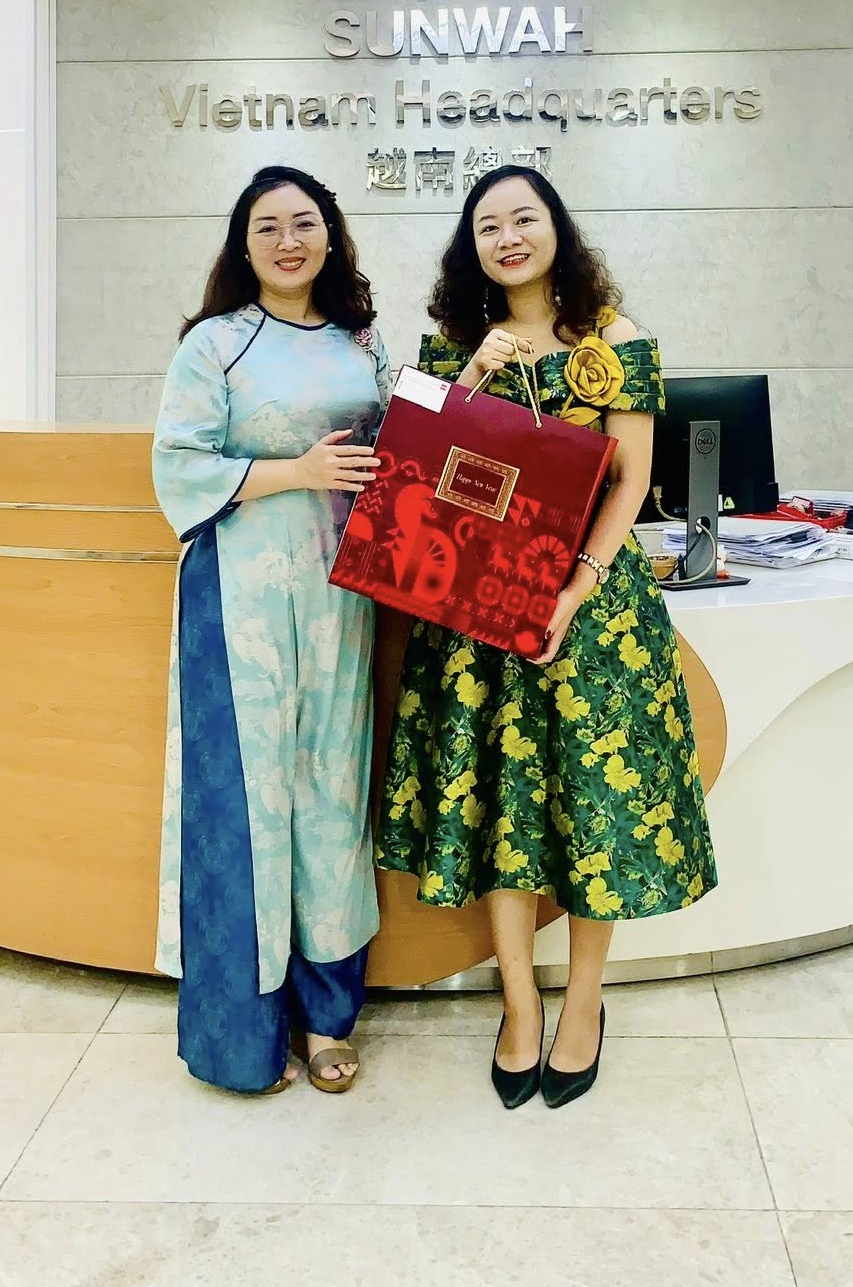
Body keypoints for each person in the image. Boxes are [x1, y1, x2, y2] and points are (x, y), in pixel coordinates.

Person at [377, 164, 717, 1109]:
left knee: (594, 806)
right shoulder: (452, 347)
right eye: (488, 225)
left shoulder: (617, 340)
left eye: (524, 218)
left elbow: (632, 480)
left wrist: (574, 591)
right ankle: (519, 1003)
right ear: (471, 247)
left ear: (557, 229)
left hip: (591, 609)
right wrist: (472, 378)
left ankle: (585, 1002)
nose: (509, 237)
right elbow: (413, 464)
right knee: (500, 805)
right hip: (475, 610)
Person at [152, 165, 389, 1096]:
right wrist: (297, 472)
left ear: (330, 233)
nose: (288, 241)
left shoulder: (362, 343)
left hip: (342, 596)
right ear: (242, 245)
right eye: (267, 227)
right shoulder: (213, 343)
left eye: (304, 223)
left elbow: (401, 450)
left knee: (332, 793)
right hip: (238, 595)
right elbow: (177, 465)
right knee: (243, 803)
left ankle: (328, 1017)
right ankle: (240, 1035)